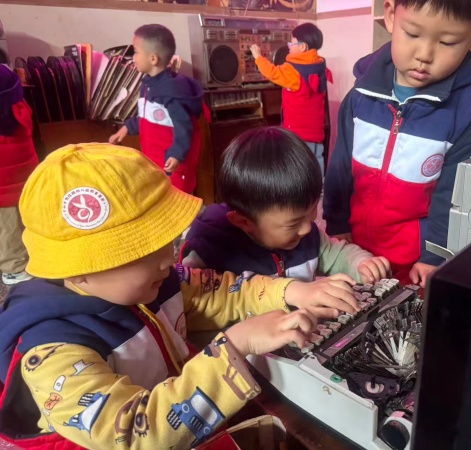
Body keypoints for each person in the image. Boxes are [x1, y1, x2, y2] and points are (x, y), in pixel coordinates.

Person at [0, 143, 361, 450]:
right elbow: (134, 436)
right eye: (143, 252)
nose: (168, 259)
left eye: (167, 241)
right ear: (78, 269)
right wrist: (234, 347)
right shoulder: (54, 353)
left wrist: (292, 290)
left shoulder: (159, 280)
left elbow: (224, 292)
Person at [324, 0, 471, 287]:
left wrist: (436, 254)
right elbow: (340, 165)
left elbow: (459, 193)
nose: (424, 55)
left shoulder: (468, 111)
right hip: (354, 250)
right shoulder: (360, 94)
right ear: (391, 15)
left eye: (447, 42)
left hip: (415, 263)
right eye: (413, 34)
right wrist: (337, 222)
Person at [182, 127, 390, 284]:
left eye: (311, 212)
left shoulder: (308, 238)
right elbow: (193, 303)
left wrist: (361, 264)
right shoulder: (209, 254)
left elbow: (339, 255)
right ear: (244, 222)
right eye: (293, 223)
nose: (307, 228)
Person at [109, 24, 203, 194]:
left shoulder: (170, 91)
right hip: (153, 158)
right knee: (158, 194)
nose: (133, 58)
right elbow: (148, 116)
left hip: (171, 163)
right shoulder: (149, 84)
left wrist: (176, 154)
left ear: (153, 59)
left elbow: (184, 126)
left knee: (176, 198)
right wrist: (127, 128)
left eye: (136, 52)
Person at [250, 23, 331, 178]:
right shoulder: (320, 65)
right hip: (316, 132)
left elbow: (272, 72)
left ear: (303, 47)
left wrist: (258, 57)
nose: (288, 47)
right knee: (317, 165)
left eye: (291, 43)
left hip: (298, 134)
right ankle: (320, 190)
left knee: (299, 172)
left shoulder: (293, 71)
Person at [0, 64, 38, 285]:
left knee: (8, 229)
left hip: (3, 189)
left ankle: (13, 269)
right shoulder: (20, 109)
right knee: (21, 224)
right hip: (23, 180)